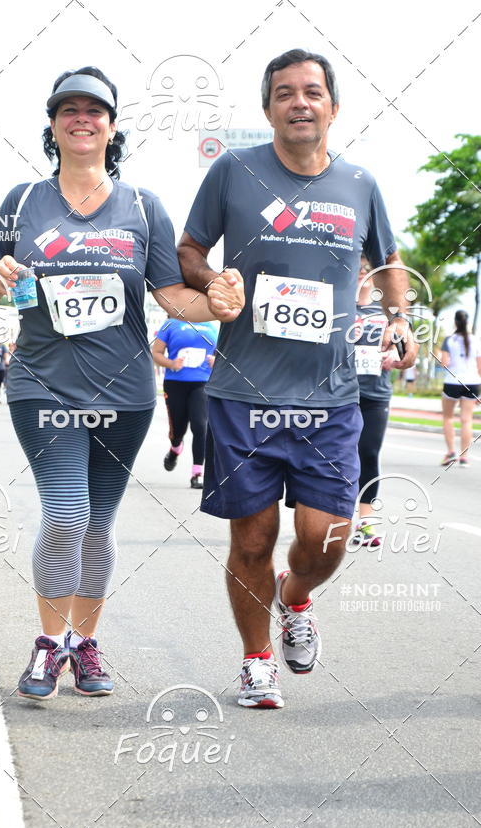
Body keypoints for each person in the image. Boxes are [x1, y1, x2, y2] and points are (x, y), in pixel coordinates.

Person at [0, 66, 242, 702]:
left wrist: (217, 305)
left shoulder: (143, 206)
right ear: (53, 125)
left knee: (98, 524)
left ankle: (82, 642)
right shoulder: (22, 201)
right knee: (66, 513)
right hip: (43, 386)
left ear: (112, 126)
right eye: (69, 109)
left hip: (125, 394)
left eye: (94, 110)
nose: (82, 119)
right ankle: (48, 643)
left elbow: (171, 295)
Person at [177, 48, 417, 709]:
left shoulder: (360, 184)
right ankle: (257, 661)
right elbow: (188, 249)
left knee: (326, 539)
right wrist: (211, 280)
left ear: (333, 108)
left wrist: (399, 318)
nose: (299, 103)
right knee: (252, 540)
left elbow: (389, 259)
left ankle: (297, 595)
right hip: (243, 393)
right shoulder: (233, 171)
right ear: (268, 109)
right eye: (285, 93)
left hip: (330, 398)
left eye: (312, 92)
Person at [351, 260, 400, 548]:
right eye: (358, 266)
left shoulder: (388, 312)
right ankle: (330, 519)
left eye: (367, 266)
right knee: (335, 457)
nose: (362, 271)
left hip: (375, 394)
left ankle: (365, 523)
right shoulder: (341, 308)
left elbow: (404, 348)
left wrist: (394, 354)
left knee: (368, 453)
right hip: (341, 395)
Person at [151, 318, 217, 488]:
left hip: (202, 383)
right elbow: (156, 353)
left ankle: (197, 473)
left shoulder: (212, 325)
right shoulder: (171, 324)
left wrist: (217, 361)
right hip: (175, 383)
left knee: (200, 426)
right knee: (177, 429)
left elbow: (224, 354)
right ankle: (175, 447)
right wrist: (171, 363)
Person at [440, 309, 481, 467]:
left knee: (448, 418)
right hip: (472, 383)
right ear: (467, 322)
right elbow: (480, 367)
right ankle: (464, 457)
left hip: (452, 382)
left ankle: (451, 452)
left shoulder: (449, 340)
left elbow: (444, 363)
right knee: (466, 420)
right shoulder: (476, 340)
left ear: (455, 322)